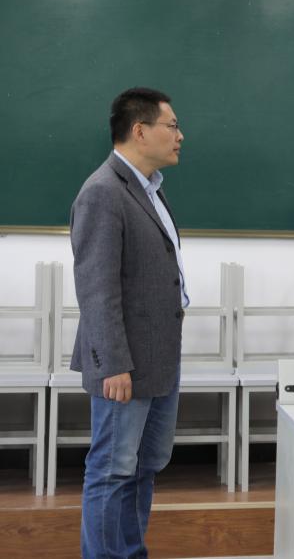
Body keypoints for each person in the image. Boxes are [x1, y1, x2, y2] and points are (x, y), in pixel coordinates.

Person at [70, 87, 188, 558]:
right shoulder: (103, 192)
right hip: (124, 364)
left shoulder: (150, 189)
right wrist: (113, 363)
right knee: (112, 470)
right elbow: (96, 289)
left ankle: (130, 552)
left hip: (157, 358)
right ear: (140, 131)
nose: (180, 135)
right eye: (172, 125)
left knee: (142, 467)